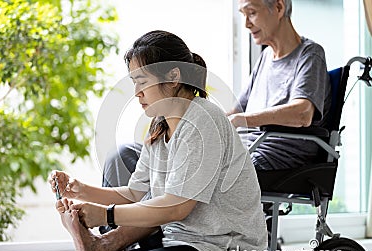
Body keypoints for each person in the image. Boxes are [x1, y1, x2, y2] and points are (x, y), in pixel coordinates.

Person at [51, 30, 268, 251]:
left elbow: (177, 208)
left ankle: (101, 246)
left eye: (142, 82)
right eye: (134, 83)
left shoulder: (203, 120)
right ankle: (99, 247)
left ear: (174, 76)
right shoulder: (159, 126)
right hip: (178, 242)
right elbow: (134, 193)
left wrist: (106, 214)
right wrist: (80, 190)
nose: (137, 93)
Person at [102, 0, 331, 191]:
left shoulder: (310, 55)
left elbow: (303, 113)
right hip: (240, 150)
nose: (246, 24)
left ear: (279, 7)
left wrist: (244, 121)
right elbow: (235, 111)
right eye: (242, 14)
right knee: (125, 156)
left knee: (176, 170)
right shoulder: (264, 59)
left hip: (271, 157)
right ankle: (121, 239)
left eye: (251, 13)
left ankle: (142, 239)